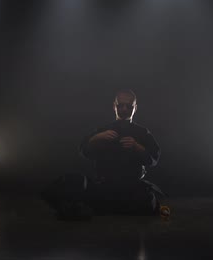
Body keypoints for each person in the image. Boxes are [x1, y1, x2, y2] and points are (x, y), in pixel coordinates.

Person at [41, 89, 165, 220]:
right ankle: (101, 207)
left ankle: (98, 208)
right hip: (104, 187)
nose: (124, 109)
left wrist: (137, 147)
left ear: (135, 107)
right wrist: (96, 139)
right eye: (120, 105)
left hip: (130, 188)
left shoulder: (143, 133)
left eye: (128, 106)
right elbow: (84, 152)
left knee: (147, 201)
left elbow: (153, 159)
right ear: (114, 106)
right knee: (74, 181)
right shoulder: (102, 131)